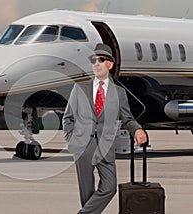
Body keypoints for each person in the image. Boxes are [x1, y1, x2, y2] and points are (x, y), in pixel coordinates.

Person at [62, 43, 147, 214]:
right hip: (83, 146)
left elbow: (128, 118)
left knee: (109, 187)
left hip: (105, 147)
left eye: (101, 59)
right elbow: (68, 118)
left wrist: (137, 129)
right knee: (86, 192)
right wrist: (71, 141)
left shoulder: (119, 93)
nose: (96, 63)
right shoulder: (79, 88)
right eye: (94, 60)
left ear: (110, 64)